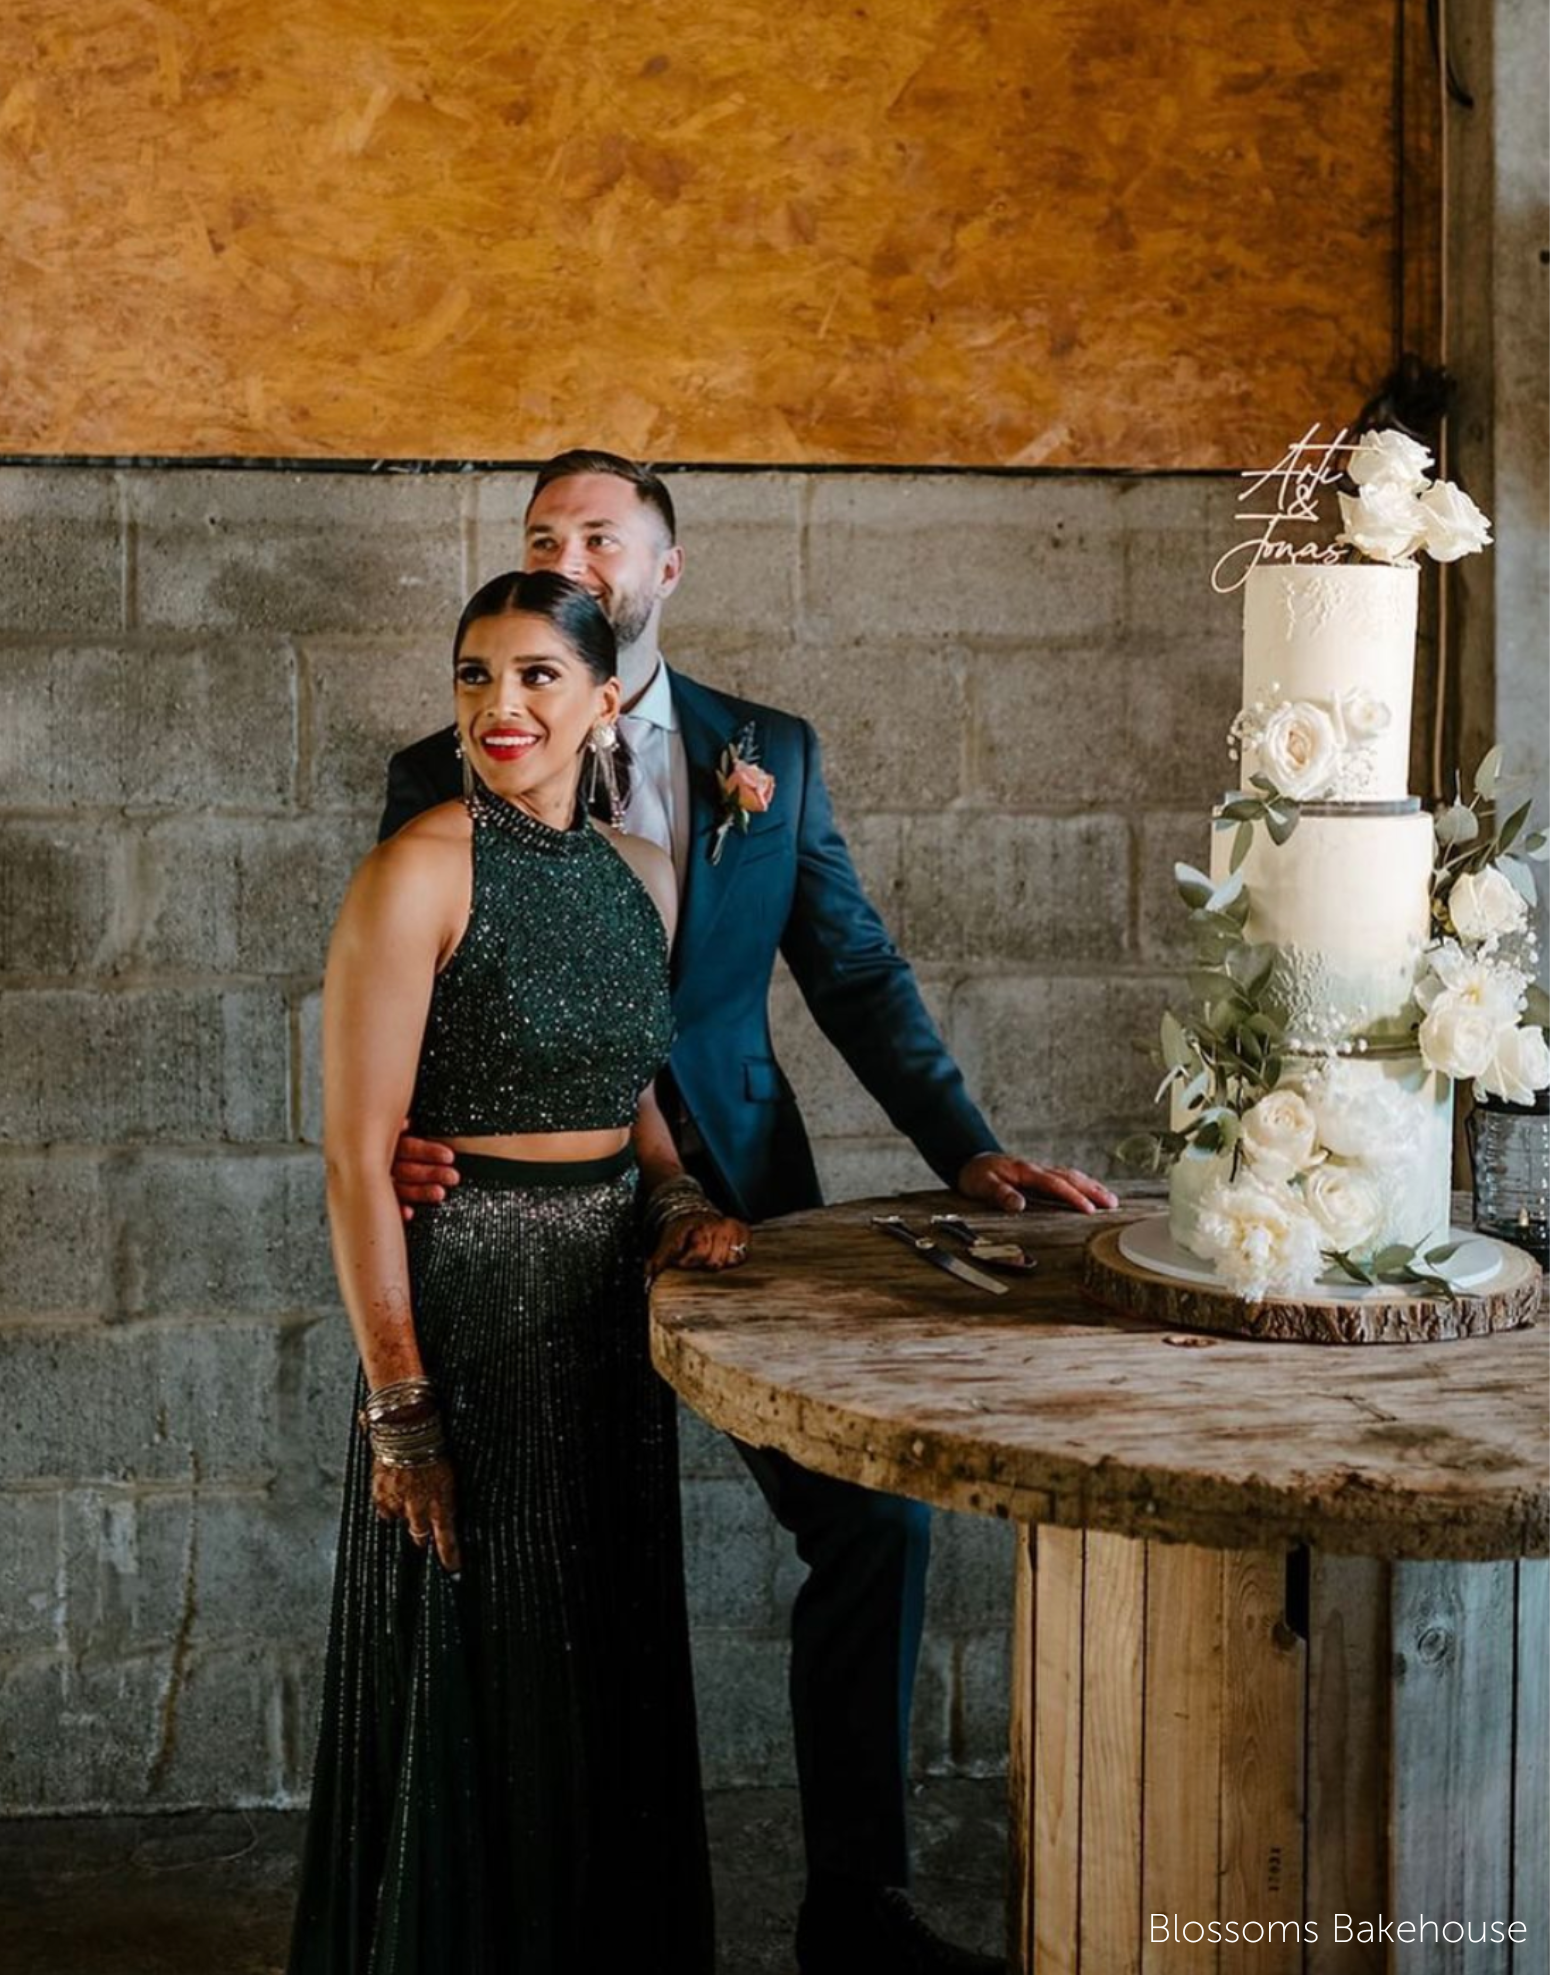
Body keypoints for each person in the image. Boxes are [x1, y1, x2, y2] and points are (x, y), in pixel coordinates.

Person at [384, 452, 1118, 1975]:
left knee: (870, 1520)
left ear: (665, 569)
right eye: (540, 536)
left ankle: (856, 1909)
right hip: (514, 1221)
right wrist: (404, 1137)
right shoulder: (440, 763)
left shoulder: (761, 753)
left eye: (599, 535)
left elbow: (852, 970)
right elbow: (402, 994)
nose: (569, 556)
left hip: (737, 1213)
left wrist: (968, 1149)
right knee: (535, 1561)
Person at [289, 570, 748, 1974]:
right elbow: (356, 1156)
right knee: (479, 1668)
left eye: (540, 676)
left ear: (605, 699)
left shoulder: (647, 874)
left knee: (598, 1654)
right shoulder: (417, 867)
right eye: (476, 676)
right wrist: (401, 1407)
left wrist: (673, 1198)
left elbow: (635, 1096)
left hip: (610, 1324)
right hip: (471, 1315)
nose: (503, 706)